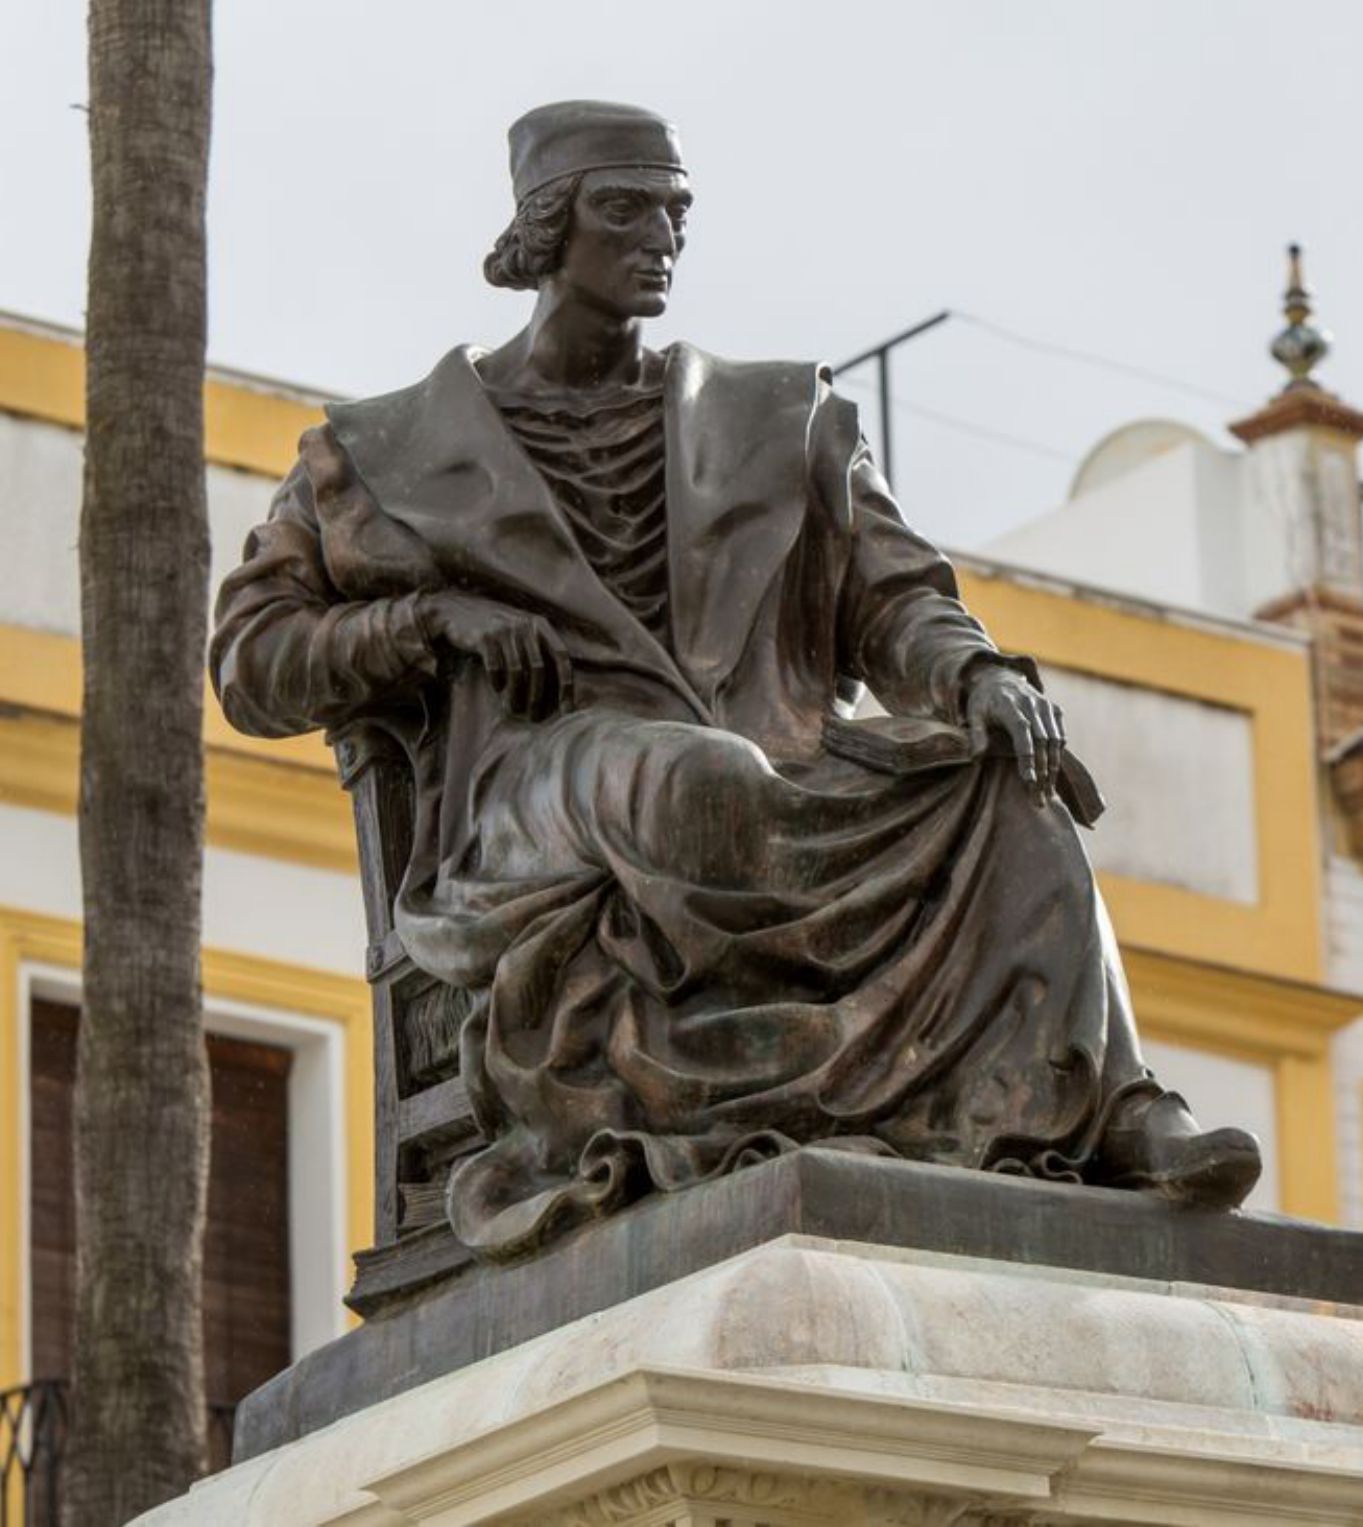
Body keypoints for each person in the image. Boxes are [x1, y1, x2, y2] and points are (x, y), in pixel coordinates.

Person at [211, 100, 1261, 1258]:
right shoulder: (385, 452)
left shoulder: (778, 420)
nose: (660, 235)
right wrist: (423, 621)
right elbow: (252, 662)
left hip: (771, 762)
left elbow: (897, 599)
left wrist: (972, 676)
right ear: (547, 229)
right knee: (691, 777)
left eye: (676, 210)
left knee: (1007, 785)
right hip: (538, 795)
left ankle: (1117, 1107)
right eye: (627, 208)